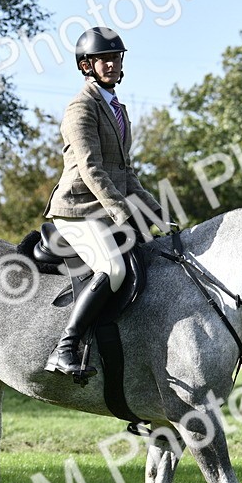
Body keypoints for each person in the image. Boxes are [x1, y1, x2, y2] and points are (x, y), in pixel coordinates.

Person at [41, 26, 167, 379]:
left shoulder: (117, 108)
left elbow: (126, 172)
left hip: (104, 208)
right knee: (113, 269)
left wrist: (156, 213)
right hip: (77, 209)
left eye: (115, 57)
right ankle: (64, 348)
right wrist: (123, 212)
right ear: (87, 66)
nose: (111, 64)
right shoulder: (80, 107)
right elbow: (91, 168)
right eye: (103, 59)